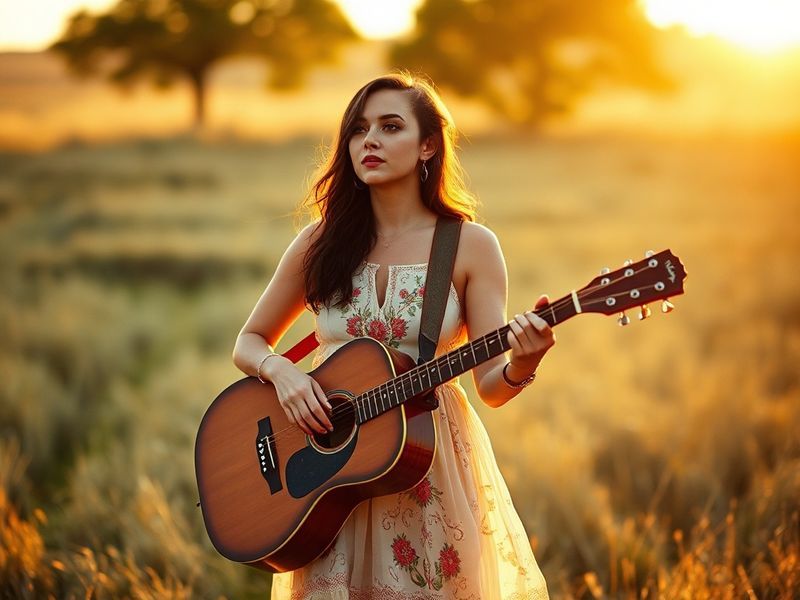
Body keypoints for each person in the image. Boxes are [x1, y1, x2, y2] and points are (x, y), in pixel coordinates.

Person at [232, 73, 554, 599]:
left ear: (428, 145)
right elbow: (249, 341)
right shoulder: (319, 242)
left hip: (426, 468)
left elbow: (491, 386)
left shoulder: (470, 245)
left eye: (390, 126)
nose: (370, 141)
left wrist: (523, 363)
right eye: (359, 131)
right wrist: (283, 373)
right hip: (327, 477)